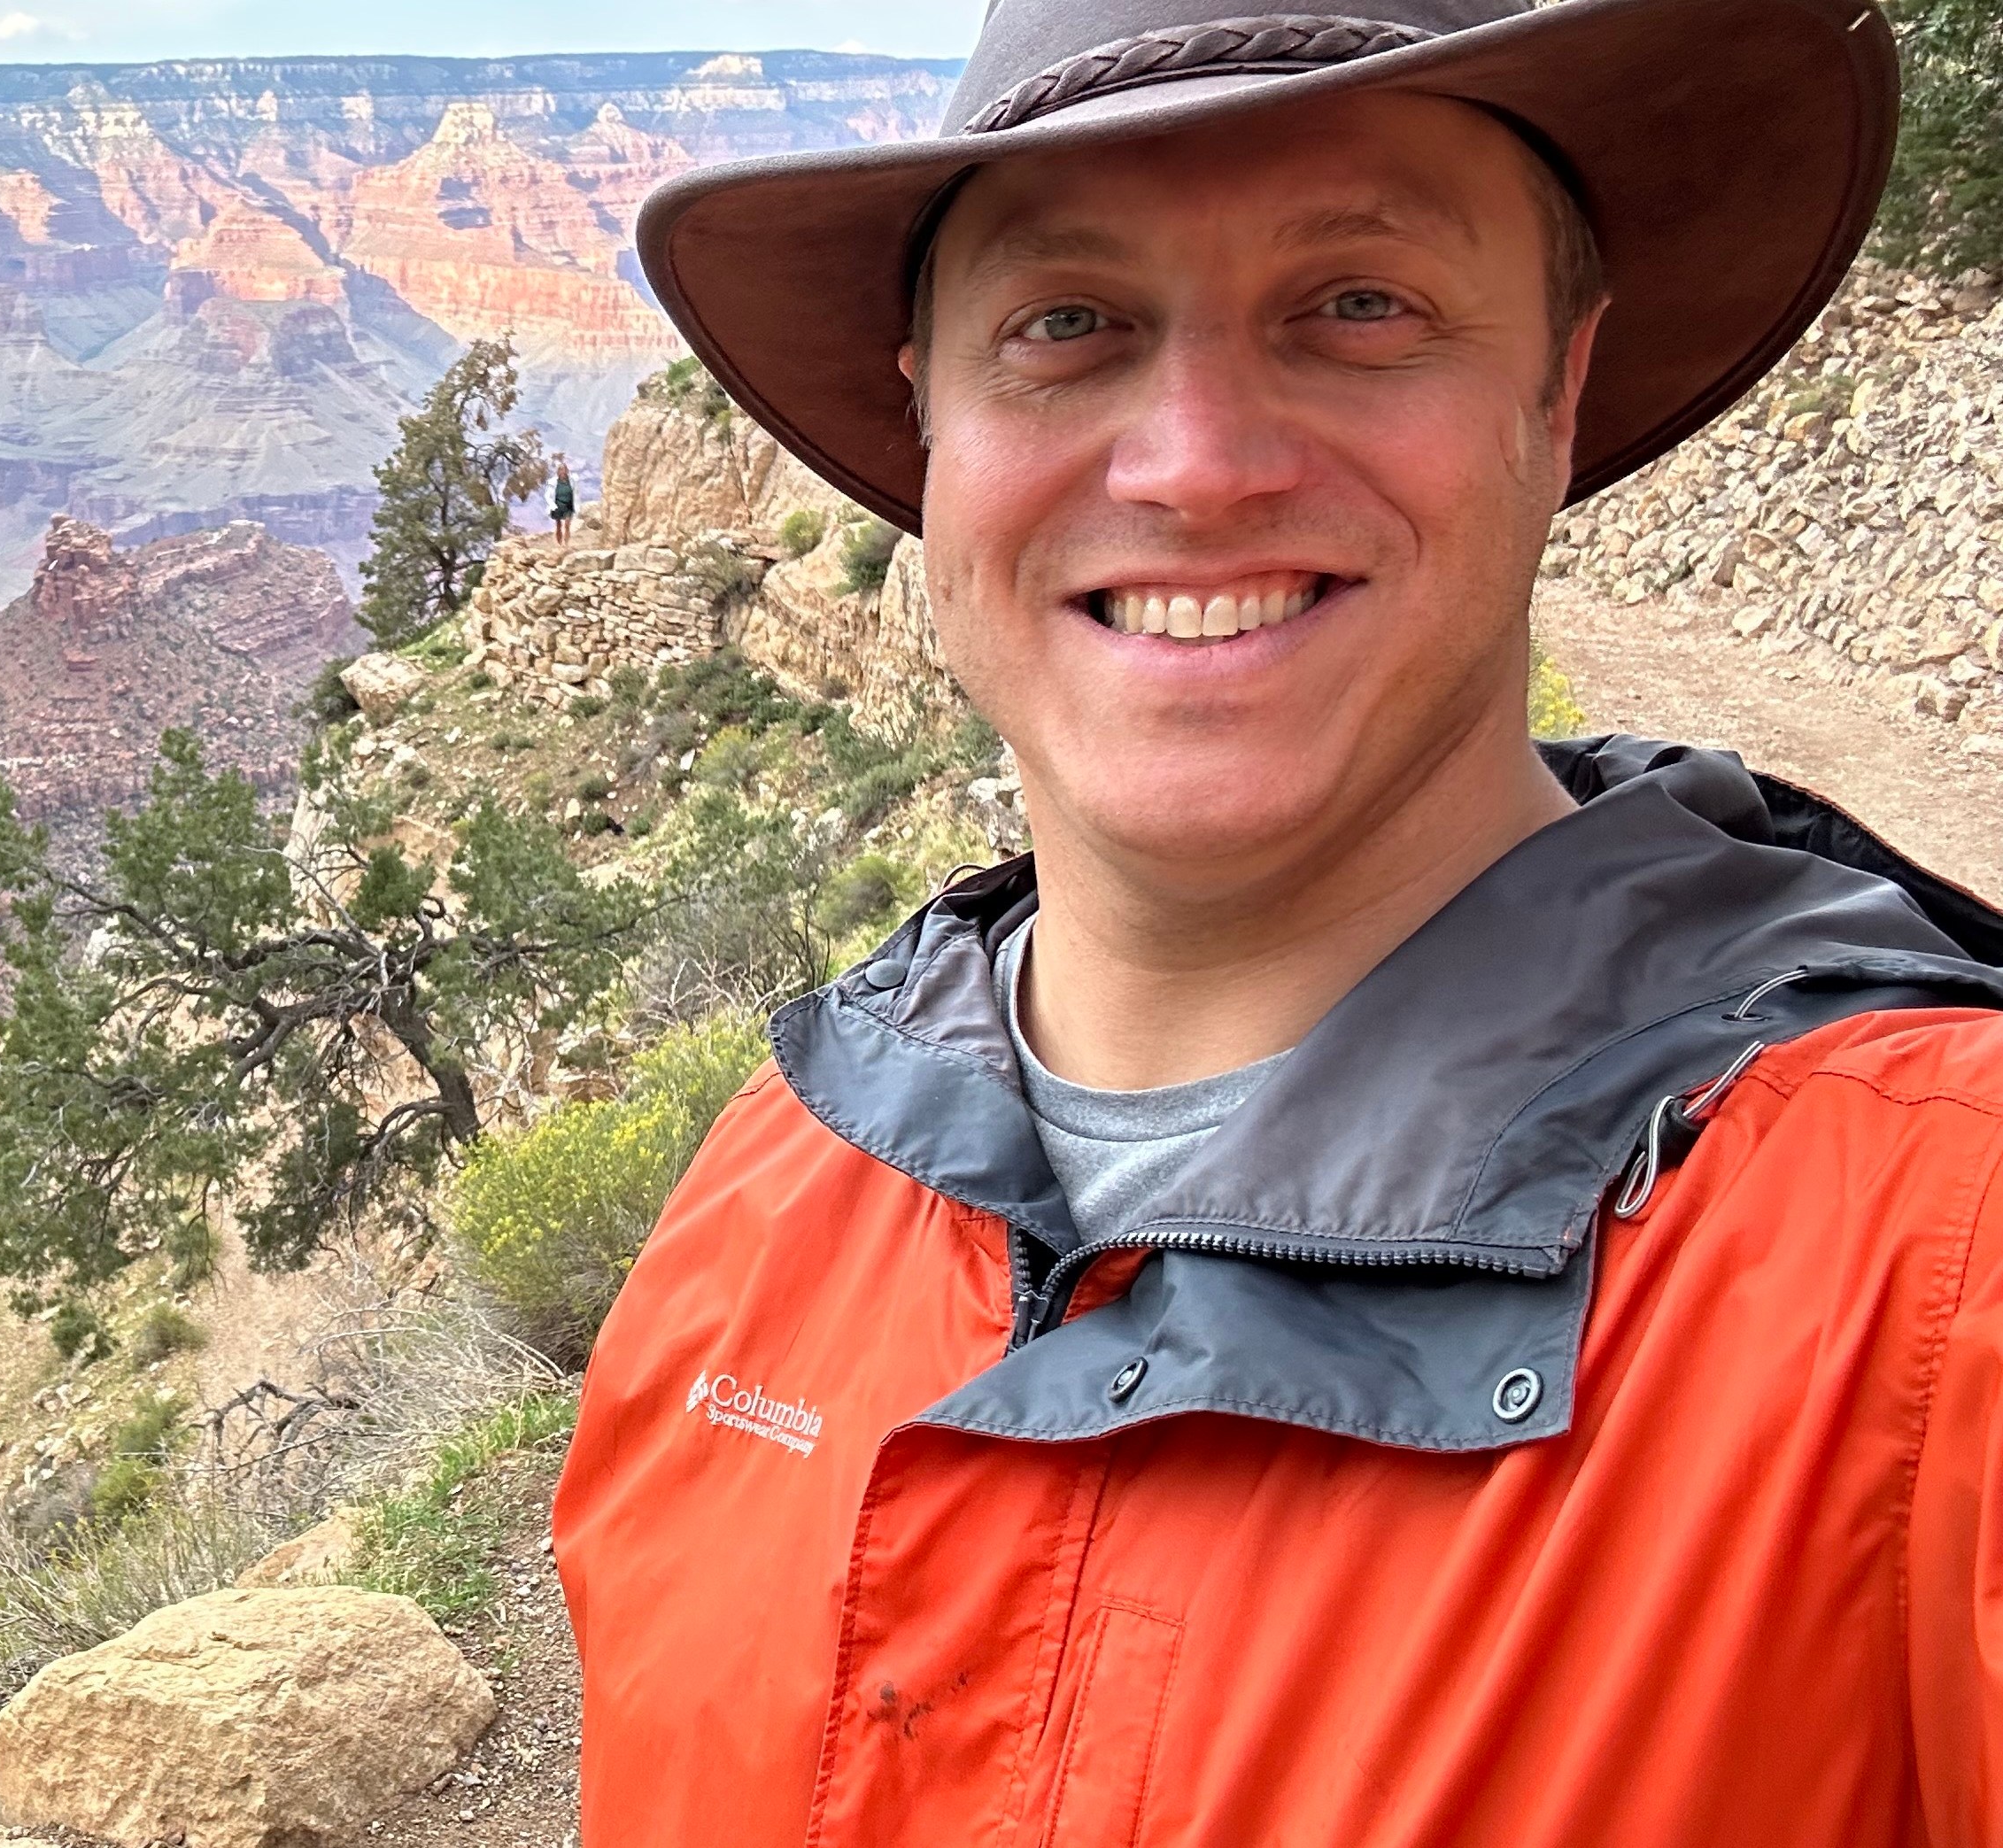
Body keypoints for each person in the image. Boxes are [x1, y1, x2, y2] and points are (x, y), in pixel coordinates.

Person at [553, 0, 2003, 1842]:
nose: (1195, 463)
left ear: (1555, 395)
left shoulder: (1936, 1263)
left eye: (1360, 306)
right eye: (1066, 323)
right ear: (931, 415)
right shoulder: (774, 1192)